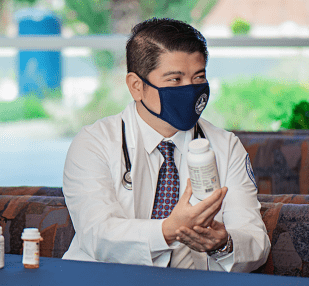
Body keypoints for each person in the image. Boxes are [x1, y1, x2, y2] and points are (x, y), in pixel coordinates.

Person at [62, 18, 270, 272]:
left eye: (198, 77)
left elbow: (255, 241)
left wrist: (223, 244)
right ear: (136, 86)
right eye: (175, 80)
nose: (190, 90)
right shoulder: (93, 144)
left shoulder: (226, 147)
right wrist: (167, 231)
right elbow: (97, 233)